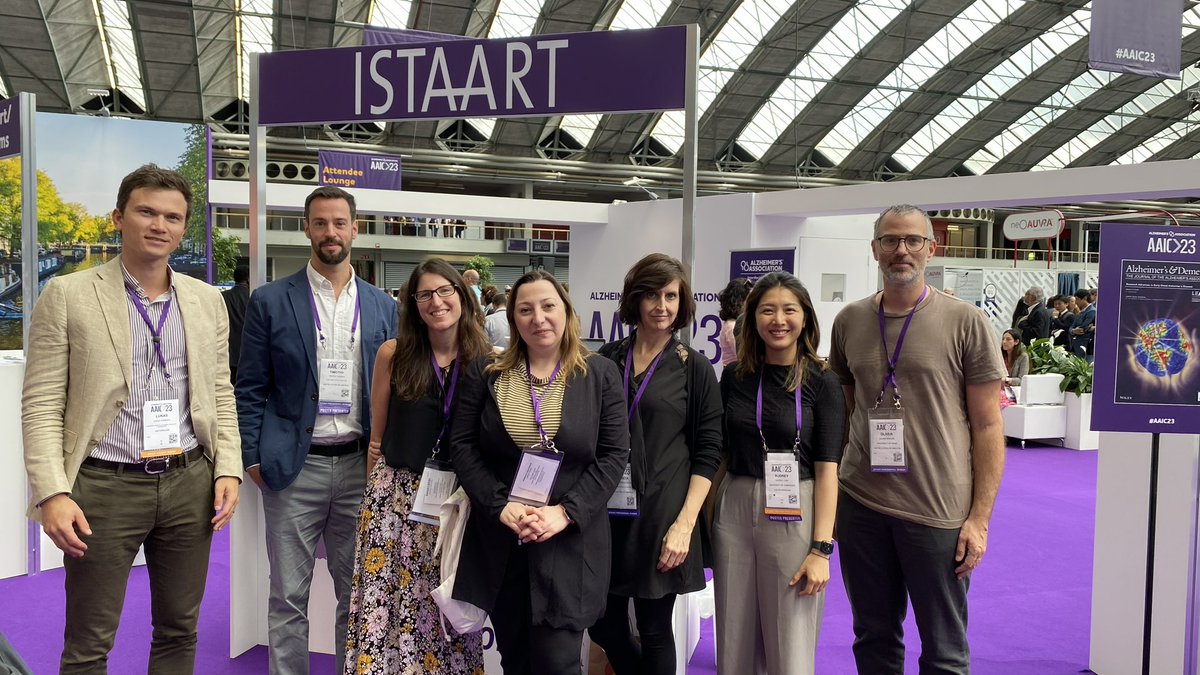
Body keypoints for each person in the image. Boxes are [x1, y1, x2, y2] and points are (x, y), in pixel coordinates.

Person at [22, 164, 241, 672]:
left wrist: (227, 465)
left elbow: (219, 392)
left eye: (173, 217)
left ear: (184, 227)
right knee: (88, 643)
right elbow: (40, 405)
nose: (159, 225)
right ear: (119, 217)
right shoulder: (68, 294)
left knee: (179, 630)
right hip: (104, 486)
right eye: (146, 211)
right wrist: (52, 493)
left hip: (190, 483)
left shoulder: (208, 300)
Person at [829, 204, 1005, 674]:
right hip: (862, 504)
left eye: (911, 240)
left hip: (938, 511)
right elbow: (845, 412)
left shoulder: (966, 322)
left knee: (944, 651)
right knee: (873, 637)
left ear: (932, 248)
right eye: (890, 240)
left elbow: (989, 426)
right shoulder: (848, 321)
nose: (900, 250)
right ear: (874, 250)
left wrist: (979, 520)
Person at [236, 185, 398, 675]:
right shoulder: (269, 301)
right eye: (321, 223)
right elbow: (248, 386)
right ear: (306, 228)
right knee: (288, 596)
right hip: (293, 468)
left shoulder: (382, 306)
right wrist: (253, 456)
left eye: (339, 223)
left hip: (361, 469)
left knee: (358, 593)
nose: (331, 232)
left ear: (356, 228)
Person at [446, 270, 630, 675]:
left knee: (557, 663)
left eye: (548, 306)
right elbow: (462, 446)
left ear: (566, 310)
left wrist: (564, 512)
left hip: (570, 544)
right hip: (502, 542)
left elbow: (614, 455)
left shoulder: (599, 374)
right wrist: (500, 506)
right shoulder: (486, 373)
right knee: (516, 660)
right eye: (525, 309)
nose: (538, 317)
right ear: (513, 319)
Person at [344, 258, 489, 674]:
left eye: (445, 290)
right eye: (424, 294)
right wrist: (375, 492)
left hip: (458, 505)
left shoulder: (488, 361)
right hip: (396, 499)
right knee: (386, 604)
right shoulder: (395, 353)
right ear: (412, 304)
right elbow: (376, 437)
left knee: (443, 605)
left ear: (463, 296)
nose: (436, 301)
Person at [589, 254, 723, 674]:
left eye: (670, 295)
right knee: (602, 625)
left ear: (682, 303)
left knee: (654, 626)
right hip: (607, 512)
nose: (661, 305)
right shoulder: (606, 360)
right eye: (651, 294)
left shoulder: (694, 368)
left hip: (665, 513)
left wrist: (684, 525)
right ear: (634, 299)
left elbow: (709, 450)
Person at [712, 272, 845, 675]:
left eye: (789, 309)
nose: (778, 319)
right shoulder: (734, 378)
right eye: (767, 310)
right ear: (752, 318)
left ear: (805, 317)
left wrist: (821, 550)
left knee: (791, 637)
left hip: (796, 508)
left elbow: (827, 473)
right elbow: (716, 454)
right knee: (733, 635)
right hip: (734, 506)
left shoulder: (823, 382)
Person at [224, 265, 250, 385]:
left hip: (227, 354)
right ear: (248, 279)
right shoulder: (253, 297)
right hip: (247, 354)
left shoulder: (223, 297)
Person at [717, 278, 752, 367]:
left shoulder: (735, 324)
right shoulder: (731, 326)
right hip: (736, 375)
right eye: (748, 301)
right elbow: (742, 355)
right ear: (738, 302)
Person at [1069, 288, 1096, 361]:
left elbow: (1083, 328)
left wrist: (1074, 330)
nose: (1075, 302)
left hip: (1085, 347)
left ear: (1085, 298)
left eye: (1077, 299)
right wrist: (1073, 331)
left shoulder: (1092, 311)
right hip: (1076, 346)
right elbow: (1071, 327)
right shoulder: (1080, 312)